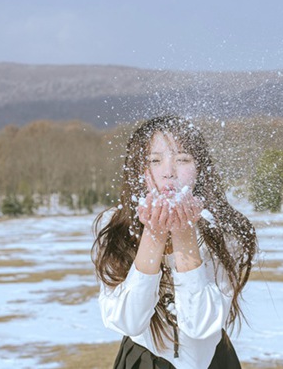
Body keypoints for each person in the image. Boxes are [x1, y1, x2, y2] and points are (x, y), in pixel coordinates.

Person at [92, 115, 257, 369]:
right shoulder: (114, 226)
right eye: (154, 161)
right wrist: (154, 234)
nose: (168, 172)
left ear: (200, 169)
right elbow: (129, 322)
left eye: (182, 159)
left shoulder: (225, 230)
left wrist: (184, 234)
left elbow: (200, 324)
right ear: (137, 170)